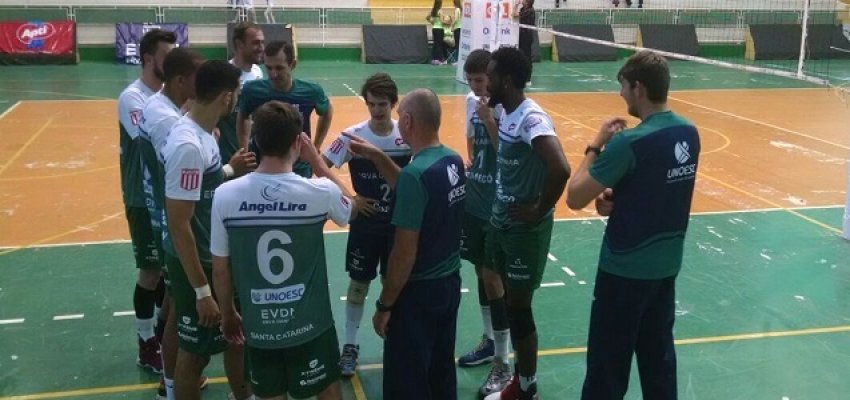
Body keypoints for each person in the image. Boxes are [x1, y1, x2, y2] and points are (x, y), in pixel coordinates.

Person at [567, 51, 699, 400]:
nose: (621, 94)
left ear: (638, 88)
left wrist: (596, 145)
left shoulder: (629, 142)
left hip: (624, 271)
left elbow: (575, 196)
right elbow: (656, 187)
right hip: (666, 269)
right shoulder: (689, 133)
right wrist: (615, 198)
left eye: (623, 86)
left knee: (607, 368)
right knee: (659, 362)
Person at [211, 100, 359, 400]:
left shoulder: (224, 195)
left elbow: (221, 267)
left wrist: (227, 313)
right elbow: (352, 208)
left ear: (255, 140)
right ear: (297, 141)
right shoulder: (319, 192)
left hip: (259, 326)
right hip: (311, 325)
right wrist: (318, 163)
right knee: (328, 391)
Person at [348, 89, 466, 399]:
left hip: (417, 295)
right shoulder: (451, 161)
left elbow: (403, 252)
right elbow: (414, 188)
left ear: (409, 121)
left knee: (407, 380)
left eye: (401, 118)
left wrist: (385, 305)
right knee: (440, 370)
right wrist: (377, 155)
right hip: (448, 285)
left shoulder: (416, 175)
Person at [161, 60, 255, 400]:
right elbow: (179, 222)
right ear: (227, 98)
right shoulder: (189, 146)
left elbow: (200, 189)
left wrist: (229, 172)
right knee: (196, 354)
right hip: (198, 262)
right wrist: (202, 292)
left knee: (234, 338)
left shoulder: (202, 135)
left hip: (210, 255)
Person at [483, 46, 571, 400]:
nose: (486, 82)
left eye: (489, 76)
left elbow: (561, 168)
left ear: (505, 80)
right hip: (502, 222)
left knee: (519, 309)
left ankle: (526, 387)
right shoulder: (507, 111)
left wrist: (539, 208)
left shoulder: (532, 119)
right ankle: (514, 375)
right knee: (501, 294)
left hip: (524, 230)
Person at [321, 73, 410, 377]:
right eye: (371, 104)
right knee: (359, 284)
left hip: (398, 227)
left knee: (393, 284)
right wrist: (350, 197)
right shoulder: (352, 136)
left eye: (382, 104)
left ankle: (394, 341)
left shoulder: (405, 137)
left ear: (393, 103)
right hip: (366, 226)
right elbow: (322, 166)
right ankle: (350, 345)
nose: (376, 110)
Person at [137, 47, 207, 400]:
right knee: (182, 306)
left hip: (163, 216)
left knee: (172, 304)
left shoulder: (157, 107)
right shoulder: (171, 124)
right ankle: (172, 383)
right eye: (199, 78)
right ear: (181, 80)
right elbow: (179, 177)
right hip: (174, 223)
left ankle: (172, 379)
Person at [117, 28, 176, 376]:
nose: (171, 62)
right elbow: (151, 136)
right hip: (143, 197)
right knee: (151, 273)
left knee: (169, 273)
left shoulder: (167, 98)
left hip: (168, 194)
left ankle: (161, 333)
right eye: (166, 56)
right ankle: (146, 344)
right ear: (148, 58)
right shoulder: (132, 98)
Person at [456, 49, 513, 398]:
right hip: (474, 198)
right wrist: (472, 161)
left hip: (497, 202)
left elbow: (508, 154)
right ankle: (490, 340)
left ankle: (503, 363)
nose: (477, 88)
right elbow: (472, 140)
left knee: (494, 277)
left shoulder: (505, 108)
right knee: (480, 272)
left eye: (481, 81)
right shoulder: (470, 102)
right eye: (472, 81)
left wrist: (490, 120)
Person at [237, 40, 333, 178]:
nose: (273, 74)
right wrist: (244, 150)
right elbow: (242, 117)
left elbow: (327, 112)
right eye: (268, 68)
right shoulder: (252, 91)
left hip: (298, 167)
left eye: (279, 68)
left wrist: (315, 147)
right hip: (260, 165)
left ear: (292, 64)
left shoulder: (311, 91)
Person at [219, 22, 265, 165]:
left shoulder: (258, 72)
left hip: (252, 153)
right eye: (256, 43)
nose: (261, 48)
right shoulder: (224, 74)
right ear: (239, 44)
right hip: (230, 156)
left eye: (262, 43)